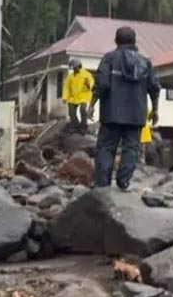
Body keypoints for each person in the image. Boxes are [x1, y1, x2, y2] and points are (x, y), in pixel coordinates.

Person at [88, 26, 160, 191]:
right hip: (136, 116)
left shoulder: (109, 59)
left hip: (111, 113)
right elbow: (154, 88)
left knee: (106, 148)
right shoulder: (145, 62)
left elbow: (102, 84)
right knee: (131, 148)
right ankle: (124, 180)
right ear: (134, 41)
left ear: (116, 40)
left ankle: (103, 184)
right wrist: (155, 110)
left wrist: (92, 104)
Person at [62, 59, 94, 133]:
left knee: (82, 109)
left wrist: (88, 84)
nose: (73, 69)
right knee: (71, 110)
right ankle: (75, 125)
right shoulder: (70, 77)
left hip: (83, 95)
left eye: (74, 67)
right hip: (74, 97)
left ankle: (84, 126)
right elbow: (66, 87)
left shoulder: (86, 74)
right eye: (72, 68)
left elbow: (91, 82)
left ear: (78, 66)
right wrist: (65, 97)